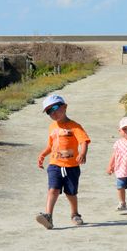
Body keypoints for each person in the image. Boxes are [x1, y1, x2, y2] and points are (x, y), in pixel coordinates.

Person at [36, 93, 90, 229]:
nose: (53, 113)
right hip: (54, 165)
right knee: (53, 189)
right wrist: (43, 154)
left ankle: (75, 213)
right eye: (49, 111)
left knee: (70, 192)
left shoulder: (74, 126)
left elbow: (83, 141)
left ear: (65, 107)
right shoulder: (52, 127)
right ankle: (48, 216)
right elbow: (51, 145)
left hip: (71, 166)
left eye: (55, 108)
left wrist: (83, 153)